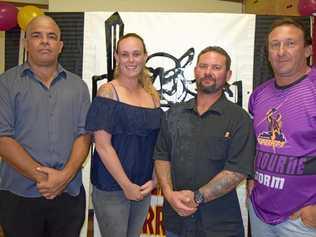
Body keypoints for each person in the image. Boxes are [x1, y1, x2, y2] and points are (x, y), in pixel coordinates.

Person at [0, 15, 91, 237]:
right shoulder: (5, 83)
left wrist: (64, 177)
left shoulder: (78, 87)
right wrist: (44, 178)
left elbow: (85, 135)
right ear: (26, 43)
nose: (44, 41)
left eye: (51, 37)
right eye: (37, 35)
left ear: (60, 46)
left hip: (68, 194)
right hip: (19, 194)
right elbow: (3, 138)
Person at [154, 46, 255, 237]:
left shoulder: (239, 119)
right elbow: (161, 156)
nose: (208, 72)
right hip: (176, 220)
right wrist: (168, 193)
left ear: (228, 74)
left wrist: (197, 197)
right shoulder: (173, 115)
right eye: (203, 66)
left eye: (216, 67)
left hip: (219, 225)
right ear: (195, 71)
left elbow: (237, 170)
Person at [85, 33, 163, 237]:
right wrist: (126, 185)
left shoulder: (152, 96)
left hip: (143, 186)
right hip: (112, 187)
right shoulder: (108, 92)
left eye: (136, 54)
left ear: (145, 56)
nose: (131, 60)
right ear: (117, 57)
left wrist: (155, 179)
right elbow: (102, 146)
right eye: (125, 54)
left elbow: (157, 143)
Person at [248, 17, 316, 236]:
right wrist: (251, 178)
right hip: (259, 212)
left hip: (301, 219)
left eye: (290, 43)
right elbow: (253, 144)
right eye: (274, 45)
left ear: (307, 50)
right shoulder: (259, 95)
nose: (281, 51)